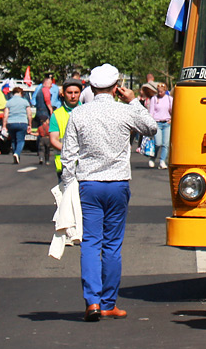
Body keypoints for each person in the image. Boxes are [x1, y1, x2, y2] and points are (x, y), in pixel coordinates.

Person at [59, 64, 157, 322]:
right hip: (117, 183)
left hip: (88, 183)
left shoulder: (79, 114)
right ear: (116, 88)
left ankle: (91, 301)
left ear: (90, 87)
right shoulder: (123, 111)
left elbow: (68, 155)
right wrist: (134, 101)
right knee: (112, 245)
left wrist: (67, 185)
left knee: (90, 242)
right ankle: (107, 302)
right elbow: (151, 128)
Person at [49, 78, 82, 184]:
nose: (73, 96)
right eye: (69, 93)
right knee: (66, 199)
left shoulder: (87, 111)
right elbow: (53, 140)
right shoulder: (57, 115)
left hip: (85, 165)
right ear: (63, 94)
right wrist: (70, 151)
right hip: (65, 165)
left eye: (76, 92)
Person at [146, 82, 173, 168]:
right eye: (158, 91)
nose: (160, 93)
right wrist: (151, 122)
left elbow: (173, 111)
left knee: (165, 144)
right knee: (158, 143)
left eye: (161, 91)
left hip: (166, 123)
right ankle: (153, 157)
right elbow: (151, 112)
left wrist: (171, 119)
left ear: (165, 91)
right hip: (157, 123)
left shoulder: (169, 99)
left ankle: (162, 161)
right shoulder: (154, 99)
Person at [2, 86, 30, 164]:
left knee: (13, 140)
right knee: (20, 140)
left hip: (11, 123)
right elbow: (29, 114)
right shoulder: (25, 101)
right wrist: (30, 124)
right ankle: (17, 153)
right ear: (20, 93)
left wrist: (4, 126)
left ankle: (15, 154)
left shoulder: (9, 102)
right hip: (22, 122)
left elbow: (5, 115)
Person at [33, 75, 55, 164]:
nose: (51, 86)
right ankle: (45, 150)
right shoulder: (45, 89)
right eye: (50, 83)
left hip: (39, 111)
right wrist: (50, 109)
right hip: (44, 112)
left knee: (40, 131)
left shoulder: (38, 90)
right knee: (45, 131)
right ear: (45, 83)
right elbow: (47, 99)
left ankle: (40, 151)